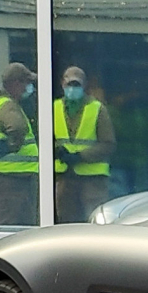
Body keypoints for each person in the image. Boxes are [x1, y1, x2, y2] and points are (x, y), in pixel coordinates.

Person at [53, 65, 116, 223]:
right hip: (64, 178)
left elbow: (108, 144)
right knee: (65, 223)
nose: (72, 89)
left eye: (76, 85)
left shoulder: (97, 109)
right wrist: (57, 152)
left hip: (93, 180)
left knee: (95, 221)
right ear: (62, 84)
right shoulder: (53, 108)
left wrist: (80, 156)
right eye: (69, 85)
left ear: (84, 85)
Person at [0, 63, 40, 225]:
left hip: (4, 174)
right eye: (26, 83)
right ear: (15, 84)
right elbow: (18, 128)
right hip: (12, 176)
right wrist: (11, 145)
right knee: (2, 226)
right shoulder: (8, 105)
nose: (29, 87)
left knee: (19, 224)